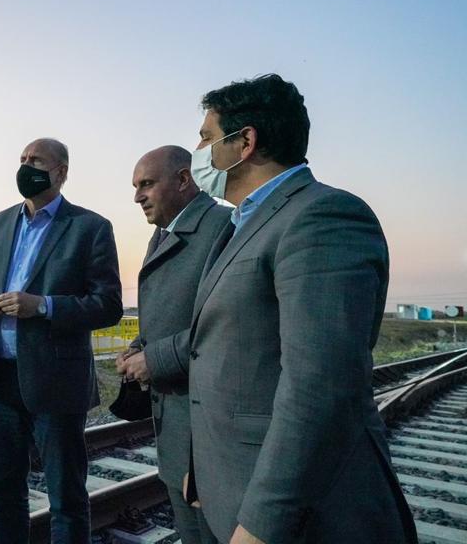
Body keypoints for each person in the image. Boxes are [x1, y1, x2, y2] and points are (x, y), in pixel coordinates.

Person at [143, 74, 416, 543]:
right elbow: (226, 351)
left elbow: (320, 389)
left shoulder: (321, 217)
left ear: (245, 141)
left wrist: (263, 524)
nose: (201, 150)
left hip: (300, 517)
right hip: (233, 484)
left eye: (207, 137)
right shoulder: (243, 223)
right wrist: (204, 470)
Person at [0, 138, 122, 543]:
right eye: (21, 159)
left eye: (36, 160)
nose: (25, 166)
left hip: (56, 382)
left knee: (66, 497)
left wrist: (45, 306)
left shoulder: (90, 227)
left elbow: (107, 305)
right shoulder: (0, 222)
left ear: (61, 172)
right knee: (5, 492)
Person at [113, 146, 232, 544]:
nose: (137, 197)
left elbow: (229, 326)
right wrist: (139, 347)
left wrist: (157, 358)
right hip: (179, 423)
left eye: (146, 184)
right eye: (135, 187)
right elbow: (172, 312)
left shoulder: (221, 227)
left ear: (183, 180)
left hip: (209, 423)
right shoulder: (163, 234)